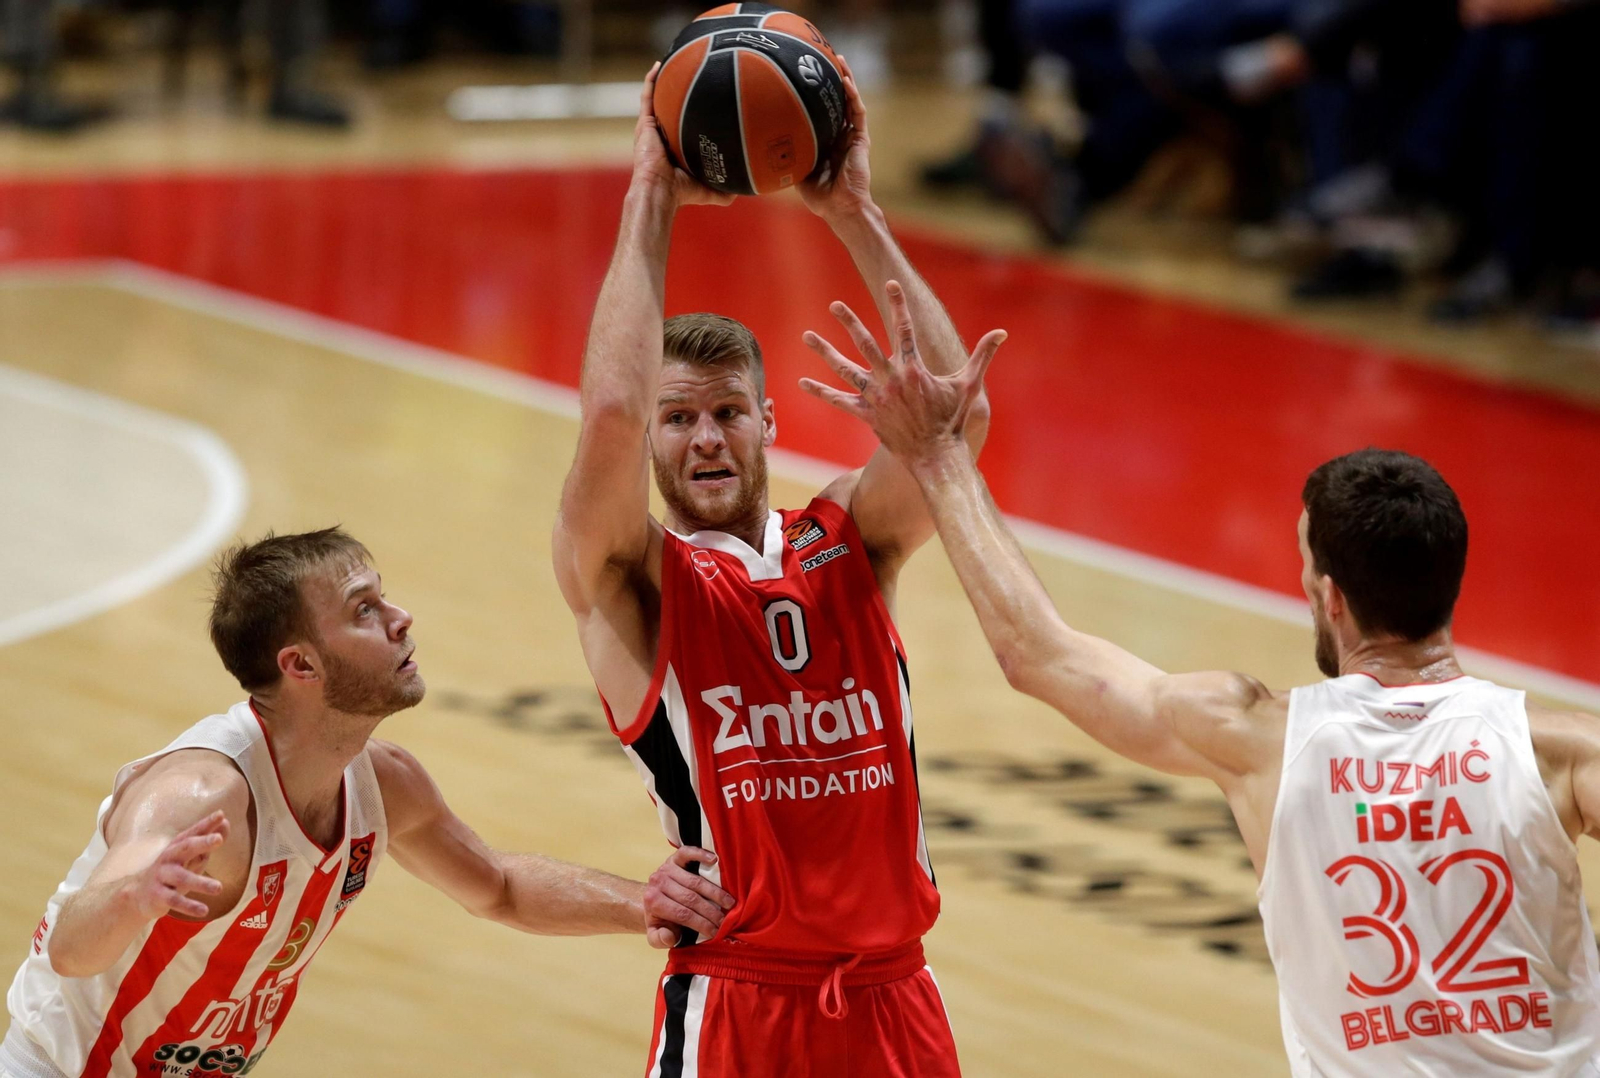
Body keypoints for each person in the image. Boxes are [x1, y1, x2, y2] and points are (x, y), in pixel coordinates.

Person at [801, 294, 1600, 1075]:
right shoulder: (1566, 751)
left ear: (1330, 597)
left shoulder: (1259, 738)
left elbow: (1037, 652)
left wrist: (939, 458)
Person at [552, 62, 980, 1077]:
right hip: (742, 1003)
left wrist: (855, 211)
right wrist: (650, 196)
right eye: (677, 417)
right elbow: (607, 413)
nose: (705, 438)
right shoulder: (634, 578)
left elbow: (954, 423)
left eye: (727, 412)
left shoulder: (848, 538)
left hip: (897, 999)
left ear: (768, 421)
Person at [1, 527, 731, 1078]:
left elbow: (499, 886)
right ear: (301, 664)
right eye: (365, 610)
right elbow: (70, 948)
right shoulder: (202, 796)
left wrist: (646, 904)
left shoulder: (383, 783)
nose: (401, 617)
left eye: (384, 597)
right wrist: (136, 893)